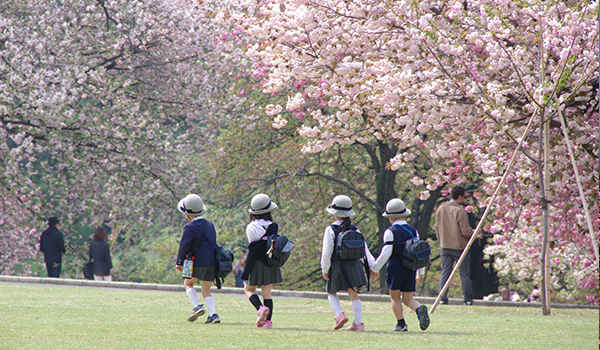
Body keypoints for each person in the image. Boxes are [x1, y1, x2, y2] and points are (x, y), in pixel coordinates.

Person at [370, 198, 430, 332]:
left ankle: (401, 324)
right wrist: (420, 272)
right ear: (405, 214)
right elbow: (419, 253)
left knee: (395, 297)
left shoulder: (390, 231)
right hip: (410, 269)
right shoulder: (413, 231)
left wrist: (374, 268)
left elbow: (386, 253)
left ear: (390, 217)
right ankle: (419, 308)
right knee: (408, 299)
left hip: (395, 269)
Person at [321, 195, 375, 332]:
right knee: (354, 294)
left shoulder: (330, 229)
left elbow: (327, 252)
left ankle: (339, 315)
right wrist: (371, 266)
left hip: (337, 265)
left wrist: (325, 268)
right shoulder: (354, 229)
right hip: (354, 265)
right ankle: (358, 323)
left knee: (331, 292)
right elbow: (364, 250)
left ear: (334, 214)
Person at [175, 194, 220, 324]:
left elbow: (184, 246)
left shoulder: (189, 227)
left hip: (196, 262)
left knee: (188, 284)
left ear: (187, 214)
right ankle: (213, 314)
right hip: (211, 262)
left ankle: (197, 306)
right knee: (206, 290)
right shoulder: (210, 225)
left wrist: (179, 262)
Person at [241, 193, 282, 329]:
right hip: (270, 262)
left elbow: (253, 250)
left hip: (256, 263)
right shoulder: (273, 226)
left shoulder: (251, 227)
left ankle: (260, 308)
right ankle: (267, 322)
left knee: (248, 289)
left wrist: (245, 271)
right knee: (267, 293)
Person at [435, 186, 475, 305]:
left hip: (444, 246)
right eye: (464, 196)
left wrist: (440, 241)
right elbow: (465, 231)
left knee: (445, 273)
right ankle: (467, 299)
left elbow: (437, 228)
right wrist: (476, 232)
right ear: (459, 196)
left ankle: (442, 298)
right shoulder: (460, 211)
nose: (464, 199)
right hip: (459, 247)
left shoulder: (440, 209)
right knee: (464, 274)